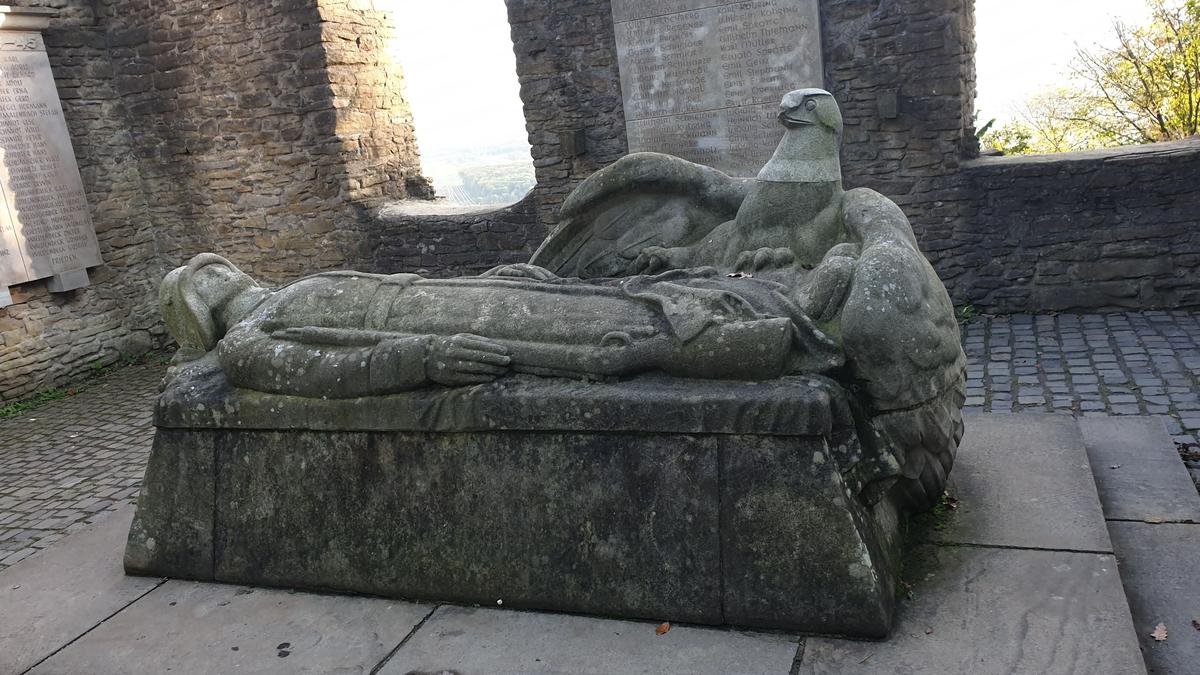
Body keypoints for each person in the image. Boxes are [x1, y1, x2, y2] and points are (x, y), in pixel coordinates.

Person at [160, 254, 846, 398]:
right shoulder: (246, 340)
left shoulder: (290, 284)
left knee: (600, 296)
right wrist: (421, 358)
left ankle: (772, 300)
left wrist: (496, 277)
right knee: (603, 335)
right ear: (203, 313)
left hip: (453, 293)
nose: (224, 274)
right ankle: (766, 341)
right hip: (440, 324)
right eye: (206, 282)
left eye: (217, 268)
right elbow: (318, 371)